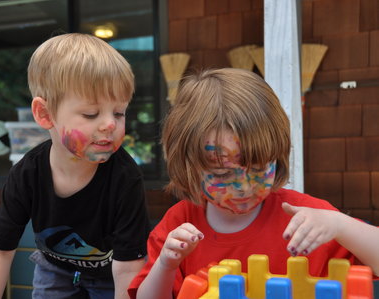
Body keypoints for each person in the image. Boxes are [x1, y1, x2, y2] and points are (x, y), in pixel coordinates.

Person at [128, 68, 379, 299]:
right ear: (189, 167)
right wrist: (166, 265)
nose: (244, 187)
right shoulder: (179, 226)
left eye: (259, 169)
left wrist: (339, 225)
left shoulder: (309, 218)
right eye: (223, 174)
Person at [0, 33, 151, 299]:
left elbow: (128, 268)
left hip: (113, 275)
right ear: (45, 115)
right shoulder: (27, 173)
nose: (110, 124)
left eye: (119, 112)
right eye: (91, 114)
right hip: (54, 270)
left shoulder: (125, 178)